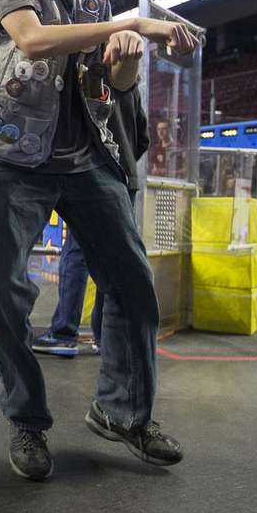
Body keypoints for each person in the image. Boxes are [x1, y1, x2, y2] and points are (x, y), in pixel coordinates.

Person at [0, 0, 197, 481]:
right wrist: (133, 23)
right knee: (5, 290)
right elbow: (32, 40)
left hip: (88, 156)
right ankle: (27, 421)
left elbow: (112, 84)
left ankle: (123, 413)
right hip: (15, 156)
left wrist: (126, 55)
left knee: (133, 285)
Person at [32, 83, 150, 357]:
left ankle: (64, 332)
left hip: (92, 177)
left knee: (76, 254)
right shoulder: (130, 87)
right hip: (126, 179)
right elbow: (143, 138)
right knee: (114, 259)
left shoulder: (86, 81)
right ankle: (105, 336)